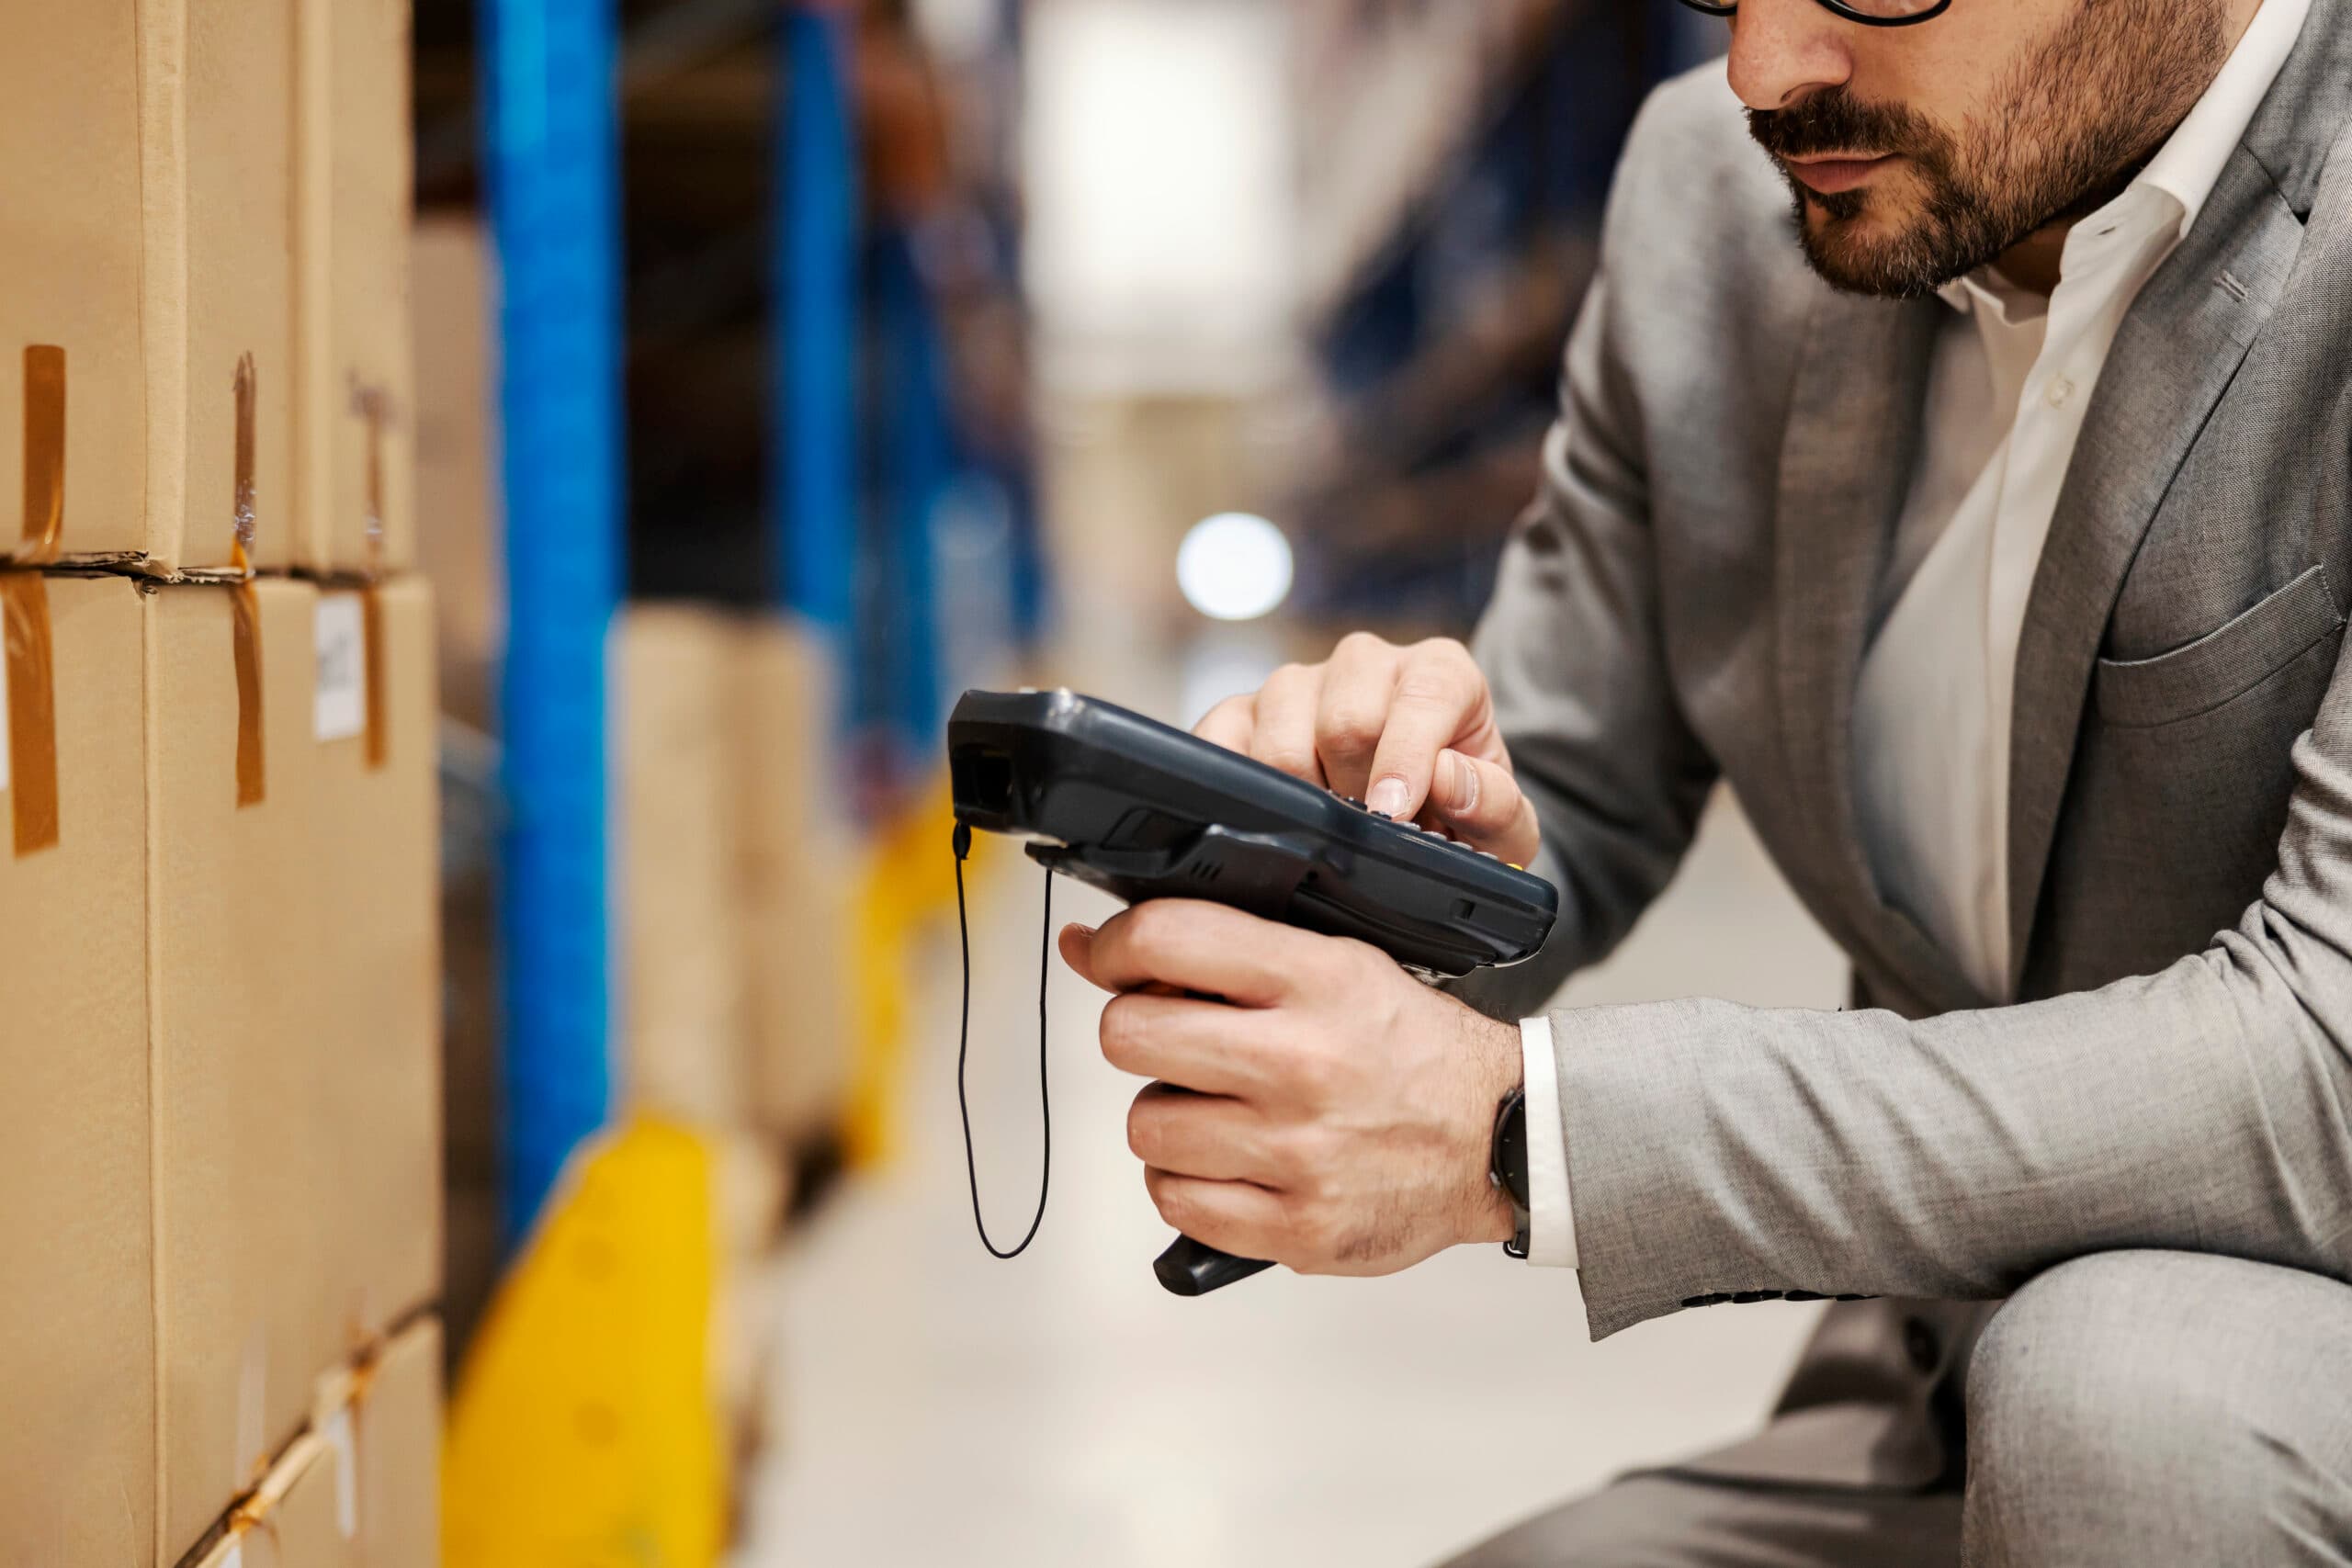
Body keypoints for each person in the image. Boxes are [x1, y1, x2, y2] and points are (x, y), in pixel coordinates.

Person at [1055, 0, 2352, 1560]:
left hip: (2225, 1382)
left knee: (2131, 1401)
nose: (1762, 69)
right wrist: (1399, 832)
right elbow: (1573, 784)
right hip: (1948, 1365)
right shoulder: (1716, 199)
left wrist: (1525, 1134)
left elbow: (2324, 1070)